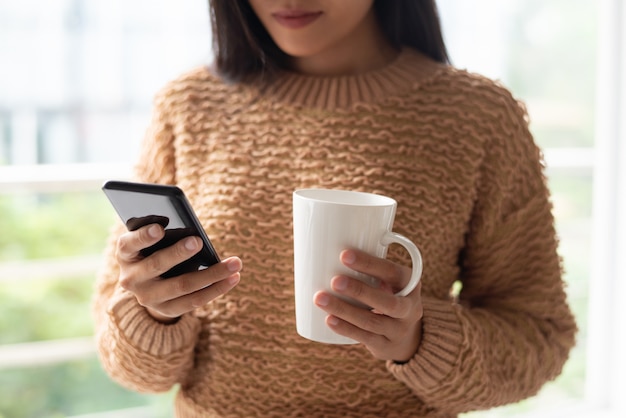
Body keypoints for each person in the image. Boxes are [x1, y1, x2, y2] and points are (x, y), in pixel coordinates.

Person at [92, 1, 578, 416]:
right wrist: (154, 313)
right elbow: (129, 366)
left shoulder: (478, 117)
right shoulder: (189, 106)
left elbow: (538, 335)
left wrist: (420, 339)